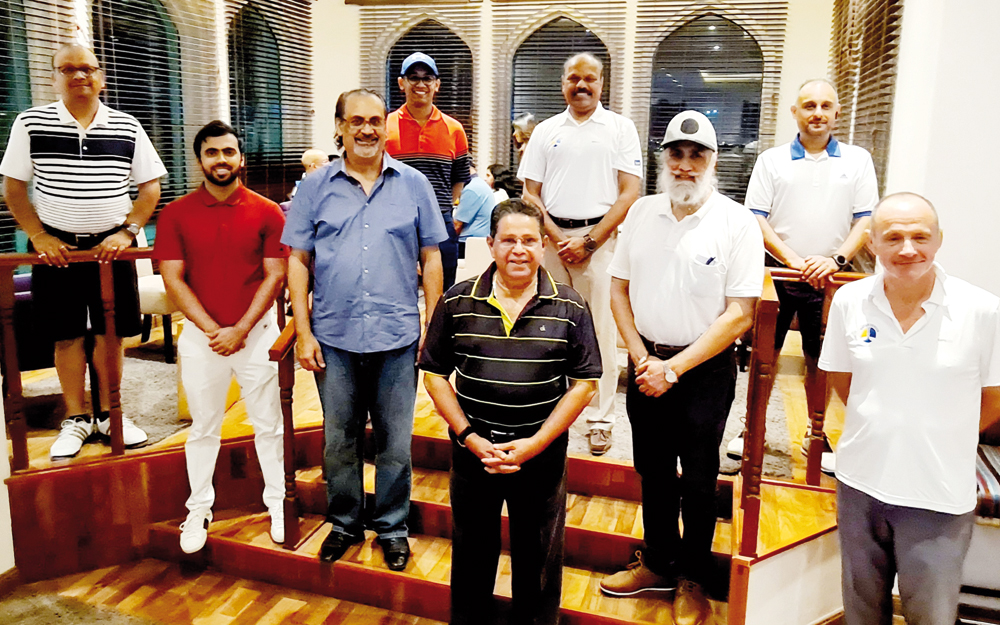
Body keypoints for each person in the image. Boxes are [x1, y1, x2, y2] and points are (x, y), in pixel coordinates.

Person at [600, 111, 763, 625]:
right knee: (651, 471)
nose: (685, 165)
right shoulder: (641, 213)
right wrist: (640, 357)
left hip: (703, 372)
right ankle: (658, 561)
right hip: (645, 365)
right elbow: (618, 290)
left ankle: (693, 576)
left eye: (697, 155)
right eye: (677, 154)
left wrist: (673, 369)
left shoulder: (736, 222)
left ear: (713, 162)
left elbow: (740, 313)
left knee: (698, 478)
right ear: (663, 158)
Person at [282, 89, 448, 571]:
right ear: (340, 126)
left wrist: (432, 324)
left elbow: (431, 256)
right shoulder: (315, 187)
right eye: (356, 121)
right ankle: (344, 523)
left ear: (385, 127)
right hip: (333, 337)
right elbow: (298, 259)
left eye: (375, 120)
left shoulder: (414, 184)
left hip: (397, 336)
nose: (367, 129)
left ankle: (393, 527)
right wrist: (303, 331)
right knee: (340, 440)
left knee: (395, 442)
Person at [819, 193, 1000, 625]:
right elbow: (844, 382)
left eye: (920, 237)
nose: (907, 249)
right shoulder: (849, 301)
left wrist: (941, 435)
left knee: (931, 616)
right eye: (893, 237)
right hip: (860, 486)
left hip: (938, 495)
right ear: (872, 244)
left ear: (939, 240)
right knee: (861, 613)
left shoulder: (981, 310)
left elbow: (993, 398)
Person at [420, 199, 601, 625]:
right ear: (490, 244)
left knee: (538, 560)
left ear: (543, 247)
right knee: (471, 556)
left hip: (541, 457)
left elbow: (585, 385)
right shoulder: (457, 300)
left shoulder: (571, 306)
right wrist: (469, 437)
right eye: (508, 240)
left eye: (529, 240)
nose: (519, 250)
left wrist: (535, 444)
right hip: (473, 455)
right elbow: (434, 375)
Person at [0, 44, 165, 459]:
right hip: (58, 248)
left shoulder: (127, 126)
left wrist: (128, 231)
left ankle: (110, 413)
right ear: (54, 77)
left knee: (112, 334)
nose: (79, 76)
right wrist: (38, 235)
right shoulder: (30, 123)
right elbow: (13, 188)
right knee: (66, 334)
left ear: (101, 77)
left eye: (87, 68)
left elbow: (150, 187)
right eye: (68, 69)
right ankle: (76, 417)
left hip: (112, 248)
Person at [155, 120, 288, 554]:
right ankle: (198, 509)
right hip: (202, 339)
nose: (221, 159)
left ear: (241, 158)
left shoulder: (268, 211)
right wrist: (216, 332)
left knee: (269, 425)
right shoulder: (175, 214)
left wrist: (241, 329)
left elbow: (275, 275)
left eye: (228, 151)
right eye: (211, 152)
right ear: (200, 160)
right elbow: (173, 279)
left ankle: (277, 503)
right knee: (203, 427)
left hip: (257, 334)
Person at [733, 78, 878, 469]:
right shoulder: (772, 160)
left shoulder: (858, 160)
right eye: (809, 105)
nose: (817, 113)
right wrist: (795, 260)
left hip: (831, 278)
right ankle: (752, 428)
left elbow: (866, 220)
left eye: (825, 106)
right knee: (764, 356)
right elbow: (755, 217)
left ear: (837, 112)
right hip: (777, 274)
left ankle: (817, 433)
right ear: (794, 112)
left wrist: (836, 261)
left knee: (822, 358)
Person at [518, 52, 643, 455]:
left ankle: (600, 420)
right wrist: (557, 239)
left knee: (601, 334)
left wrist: (589, 241)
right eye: (574, 78)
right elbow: (530, 193)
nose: (582, 85)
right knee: (548, 329)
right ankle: (550, 412)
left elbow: (629, 193)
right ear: (563, 84)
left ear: (602, 84)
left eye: (590, 79)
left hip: (600, 244)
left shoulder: (620, 129)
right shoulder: (546, 131)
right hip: (552, 241)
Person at [385, 52, 471, 290]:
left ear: (437, 84)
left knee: (444, 291)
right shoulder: (385, 126)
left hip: (440, 221)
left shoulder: (454, 129)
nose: (420, 84)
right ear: (402, 83)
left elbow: (459, 179)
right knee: (394, 290)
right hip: (395, 221)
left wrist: (440, 207)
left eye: (427, 78)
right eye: (414, 77)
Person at [453, 162, 496, 248]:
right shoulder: (479, 184)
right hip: (479, 241)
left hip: (468, 243)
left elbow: (457, 225)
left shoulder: (472, 189)